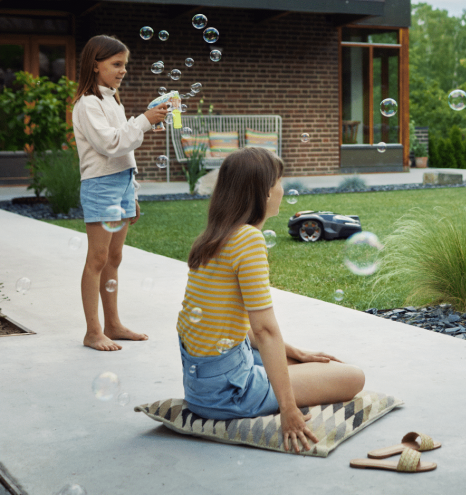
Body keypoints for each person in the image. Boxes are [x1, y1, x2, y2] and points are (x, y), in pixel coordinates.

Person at [177, 147, 365, 453]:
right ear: (263, 192)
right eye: (279, 181)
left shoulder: (213, 237)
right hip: (230, 393)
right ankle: (271, 389)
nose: (282, 188)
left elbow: (227, 323)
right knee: (353, 377)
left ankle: (281, 368)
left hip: (202, 386)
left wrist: (294, 352)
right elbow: (264, 330)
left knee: (301, 361)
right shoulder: (249, 239)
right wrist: (288, 410)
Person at [72, 35, 168, 352]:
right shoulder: (88, 104)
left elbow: (124, 150)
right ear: (95, 65)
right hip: (101, 185)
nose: (122, 70)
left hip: (122, 182)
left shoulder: (112, 99)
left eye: (124, 64)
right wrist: (143, 121)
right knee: (97, 258)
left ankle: (112, 325)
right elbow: (110, 144)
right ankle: (92, 331)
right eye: (116, 64)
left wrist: (133, 193)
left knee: (114, 257)